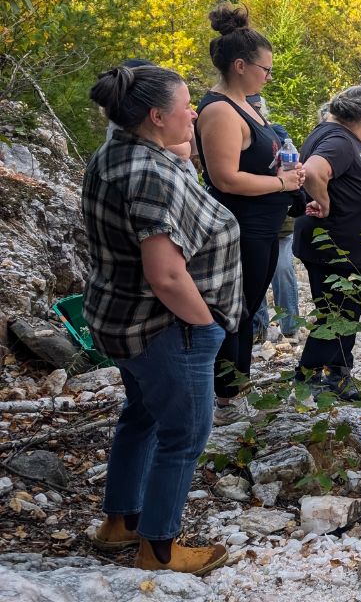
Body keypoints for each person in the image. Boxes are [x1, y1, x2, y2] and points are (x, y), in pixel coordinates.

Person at [82, 64, 240, 574]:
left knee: (142, 414)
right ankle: (160, 549)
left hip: (121, 316)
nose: (193, 111)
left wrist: (183, 152)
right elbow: (167, 276)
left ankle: (120, 523)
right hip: (164, 326)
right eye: (185, 105)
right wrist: (203, 324)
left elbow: (165, 167)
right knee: (185, 433)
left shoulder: (119, 151)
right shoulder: (149, 175)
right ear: (155, 115)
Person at [194, 3, 304, 424]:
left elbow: (257, 161)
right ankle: (225, 397)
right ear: (240, 65)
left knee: (247, 305)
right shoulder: (221, 110)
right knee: (233, 309)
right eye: (265, 69)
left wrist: (287, 179)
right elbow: (225, 178)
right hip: (238, 225)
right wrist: (282, 184)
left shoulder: (248, 106)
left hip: (263, 224)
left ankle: (235, 386)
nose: (268, 76)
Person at [293, 86, 361, 400]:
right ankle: (315, 374)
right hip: (339, 247)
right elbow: (312, 172)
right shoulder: (339, 140)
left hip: (345, 248)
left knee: (341, 313)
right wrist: (322, 201)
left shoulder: (336, 135)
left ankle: (335, 371)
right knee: (338, 314)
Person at [251, 118, 302, 341]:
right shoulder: (241, 143)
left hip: (281, 225)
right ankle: (259, 328)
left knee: (282, 270)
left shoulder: (278, 133)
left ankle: (290, 326)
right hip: (254, 223)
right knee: (255, 274)